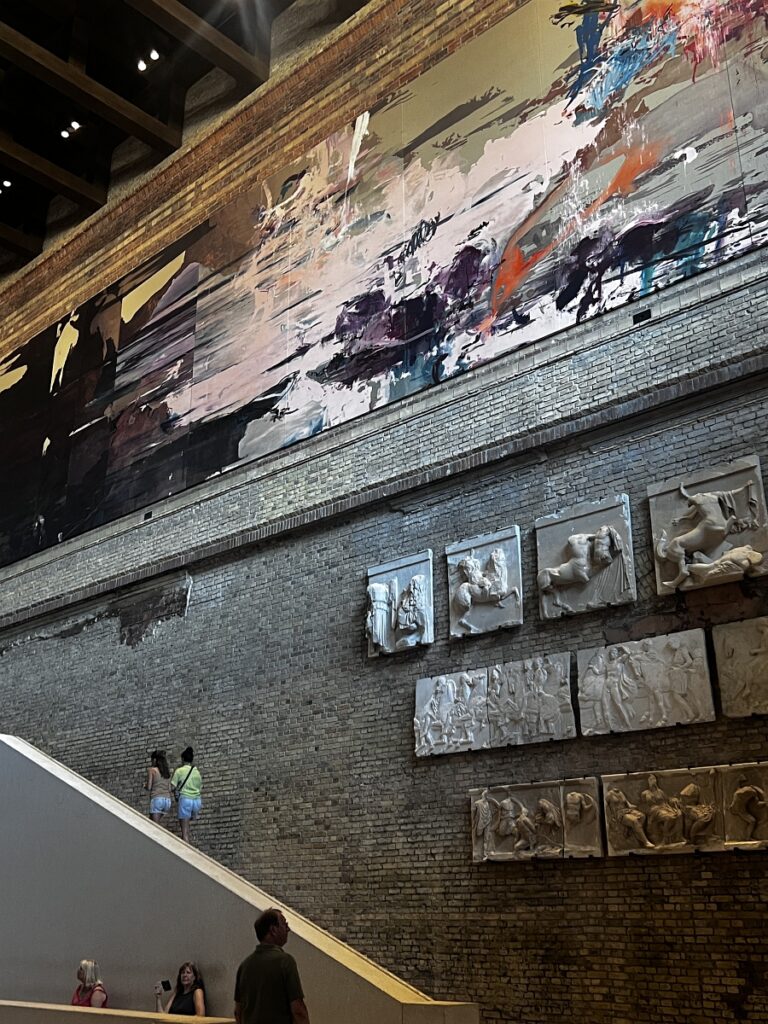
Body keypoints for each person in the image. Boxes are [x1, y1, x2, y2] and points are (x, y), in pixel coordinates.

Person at [234, 909, 310, 1024]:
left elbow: (238, 1011)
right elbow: (298, 1010)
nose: (288, 929)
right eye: (285, 924)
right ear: (273, 930)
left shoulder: (244, 966)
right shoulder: (285, 962)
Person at [171, 746, 202, 843]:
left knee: (185, 833)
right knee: (188, 826)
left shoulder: (179, 771)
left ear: (183, 759)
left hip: (185, 800)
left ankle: (186, 848)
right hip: (197, 802)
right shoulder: (197, 772)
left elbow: (172, 787)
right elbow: (200, 787)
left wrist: (176, 792)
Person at [145, 749, 173, 823]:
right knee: (151, 822)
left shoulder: (152, 770)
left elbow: (149, 787)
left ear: (155, 760)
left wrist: (145, 785)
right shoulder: (166, 772)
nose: (151, 762)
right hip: (167, 801)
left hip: (157, 799)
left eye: (151, 760)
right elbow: (169, 788)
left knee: (155, 826)